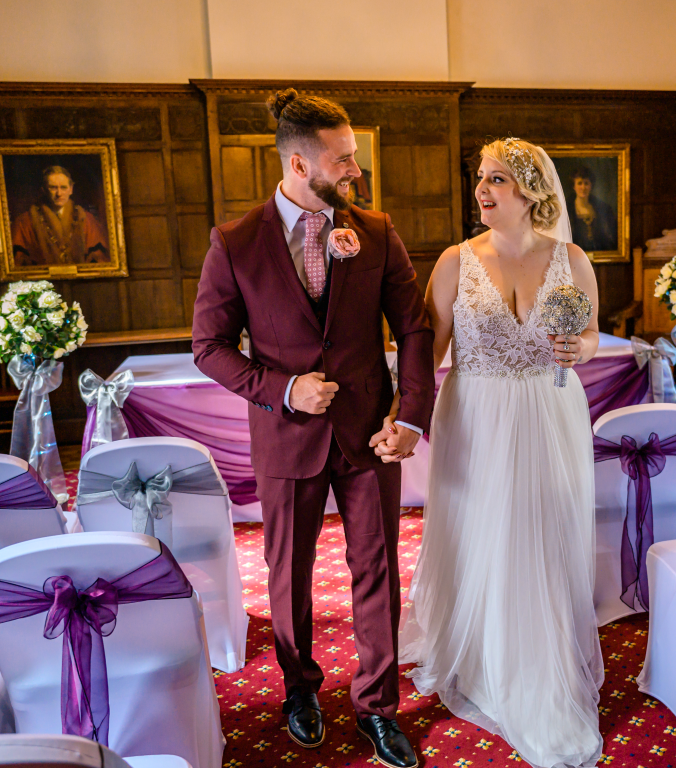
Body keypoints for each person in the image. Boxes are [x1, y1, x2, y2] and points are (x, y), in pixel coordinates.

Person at [191, 88, 434, 768]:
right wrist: (283, 388)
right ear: (300, 165)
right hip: (286, 436)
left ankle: (377, 706)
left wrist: (411, 416)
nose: (355, 170)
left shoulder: (376, 231)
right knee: (288, 573)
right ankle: (299, 689)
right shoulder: (235, 243)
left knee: (377, 569)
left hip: (370, 434)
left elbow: (415, 328)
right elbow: (208, 347)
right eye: (343, 159)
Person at [400, 137, 605, 768]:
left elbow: (591, 333)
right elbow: (429, 349)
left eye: (496, 179)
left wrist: (579, 349)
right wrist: (398, 407)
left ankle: (536, 660)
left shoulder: (571, 259)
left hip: (549, 412)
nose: (482, 190)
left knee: (541, 533)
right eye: (481, 178)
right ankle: (482, 654)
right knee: (481, 531)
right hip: (477, 416)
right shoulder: (455, 261)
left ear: (531, 191)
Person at [11, 165, 109, 266]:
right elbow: (18, 261)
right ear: (43, 190)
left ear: (71, 189)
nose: (59, 193)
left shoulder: (87, 219)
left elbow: (99, 259)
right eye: (53, 188)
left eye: (63, 187)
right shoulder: (25, 222)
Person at [566, 165, 617, 251]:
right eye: (579, 183)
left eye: (586, 183)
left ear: (591, 186)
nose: (583, 187)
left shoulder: (602, 208)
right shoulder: (567, 209)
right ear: (574, 186)